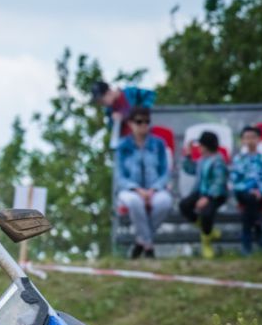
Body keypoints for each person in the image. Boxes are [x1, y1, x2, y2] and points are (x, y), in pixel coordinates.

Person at [114, 107, 172, 258]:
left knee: (165, 202)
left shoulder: (159, 144)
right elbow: (120, 177)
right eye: (139, 121)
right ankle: (149, 246)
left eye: (147, 121)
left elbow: (165, 173)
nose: (143, 125)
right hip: (130, 191)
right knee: (135, 202)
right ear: (130, 123)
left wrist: (153, 189)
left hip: (155, 190)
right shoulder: (122, 146)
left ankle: (142, 241)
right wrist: (137, 190)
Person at [179, 131, 230, 259]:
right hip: (201, 192)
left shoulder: (218, 162)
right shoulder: (202, 161)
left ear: (206, 146)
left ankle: (206, 242)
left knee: (207, 214)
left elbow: (219, 182)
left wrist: (207, 198)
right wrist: (188, 155)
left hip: (216, 195)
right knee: (184, 205)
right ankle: (207, 229)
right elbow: (190, 169)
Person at [230, 125, 262, 255]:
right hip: (243, 193)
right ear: (242, 140)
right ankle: (259, 230)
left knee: (250, 206)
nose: (250, 140)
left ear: (259, 139)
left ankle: (246, 239)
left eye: (253, 137)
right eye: (247, 137)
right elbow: (234, 180)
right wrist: (248, 190)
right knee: (251, 199)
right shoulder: (238, 159)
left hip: (260, 194)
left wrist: (261, 191)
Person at [91, 81, 156, 142]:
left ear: (108, 92)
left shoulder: (130, 92)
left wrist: (141, 112)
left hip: (147, 137)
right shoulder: (109, 111)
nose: (102, 104)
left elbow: (150, 94)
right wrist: (114, 120)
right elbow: (111, 128)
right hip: (128, 143)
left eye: (102, 101)